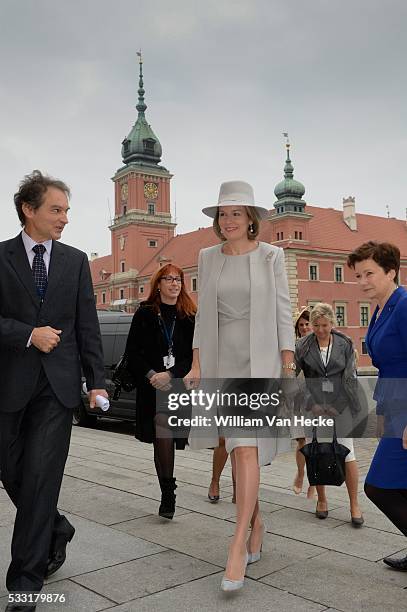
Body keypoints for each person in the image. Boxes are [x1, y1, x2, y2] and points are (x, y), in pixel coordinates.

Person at [0, 170, 106, 611]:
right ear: (29, 209)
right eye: (56, 210)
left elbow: (87, 325)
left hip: (58, 390)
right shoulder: (0, 257)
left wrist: (97, 382)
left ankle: (24, 583)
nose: (64, 219)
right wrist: (28, 334)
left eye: (66, 211)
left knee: (42, 479)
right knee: (12, 473)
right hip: (8, 384)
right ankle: (55, 527)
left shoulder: (76, 260)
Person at [185, 180, 295, 591]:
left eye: (236, 213)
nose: (228, 220)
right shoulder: (207, 257)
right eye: (223, 214)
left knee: (246, 447)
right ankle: (257, 521)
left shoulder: (272, 256)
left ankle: (236, 544)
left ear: (252, 219)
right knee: (235, 449)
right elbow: (200, 317)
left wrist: (287, 358)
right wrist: (196, 362)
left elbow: (284, 309)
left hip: (260, 361)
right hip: (220, 360)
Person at [348, 241, 407, 569]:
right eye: (358, 275)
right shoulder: (383, 307)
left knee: (378, 487)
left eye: (369, 274)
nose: (362, 282)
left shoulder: (404, 305)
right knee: (401, 486)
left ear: (391, 271)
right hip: (393, 404)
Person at [126, 264, 196, 520]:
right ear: (158, 284)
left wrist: (172, 374)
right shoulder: (144, 314)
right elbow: (132, 353)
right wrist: (152, 375)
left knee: (165, 430)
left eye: (178, 279)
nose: (174, 284)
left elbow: (192, 356)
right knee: (161, 430)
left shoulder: (189, 315)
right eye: (169, 279)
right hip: (151, 386)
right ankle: (168, 492)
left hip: (177, 385)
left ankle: (168, 490)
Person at [294, 303, 364, 526]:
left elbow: (350, 378)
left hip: (340, 407)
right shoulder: (302, 345)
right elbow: (291, 378)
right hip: (313, 407)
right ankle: (321, 500)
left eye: (324, 325)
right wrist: (309, 403)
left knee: (348, 454)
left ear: (332, 323)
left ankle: (354, 503)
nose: (320, 330)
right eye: (316, 325)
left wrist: (338, 406)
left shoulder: (345, 343)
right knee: (317, 453)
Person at [291, 307, 316, 500]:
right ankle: (300, 474)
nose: (305, 327)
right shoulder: (295, 347)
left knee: (315, 443)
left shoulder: (321, 345)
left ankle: (314, 483)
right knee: (301, 441)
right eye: (301, 325)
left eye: (307, 324)